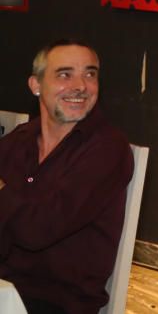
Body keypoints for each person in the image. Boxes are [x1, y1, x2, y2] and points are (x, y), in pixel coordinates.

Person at [0, 40, 134, 314]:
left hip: (53, 302)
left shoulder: (107, 149)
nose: (80, 86)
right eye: (65, 74)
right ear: (36, 86)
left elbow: (36, 230)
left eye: (90, 74)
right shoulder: (20, 140)